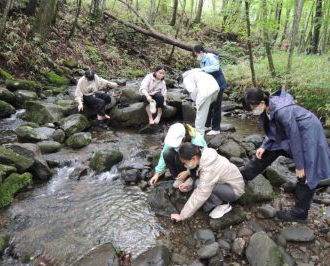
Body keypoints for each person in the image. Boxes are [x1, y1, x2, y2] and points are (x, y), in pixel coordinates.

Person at [241, 87, 330, 222]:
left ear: (262, 103)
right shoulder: (266, 108)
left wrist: (299, 166)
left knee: (305, 172)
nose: (253, 112)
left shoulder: (283, 111)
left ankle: (300, 213)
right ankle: (244, 176)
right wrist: (264, 146)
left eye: (252, 108)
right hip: (290, 132)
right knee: (267, 151)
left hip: (309, 133)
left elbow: (295, 140)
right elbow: (273, 129)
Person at [170, 143, 245, 221]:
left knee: (200, 186)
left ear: (194, 158)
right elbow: (199, 174)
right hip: (225, 183)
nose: (185, 165)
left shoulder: (209, 168)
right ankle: (213, 203)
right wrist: (188, 184)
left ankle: (224, 204)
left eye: (185, 163)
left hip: (234, 190)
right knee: (199, 183)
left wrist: (182, 216)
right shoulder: (204, 155)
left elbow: (201, 193)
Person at [149, 123, 207, 188]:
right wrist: (157, 173)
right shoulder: (174, 135)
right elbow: (163, 154)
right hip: (184, 160)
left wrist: (187, 172)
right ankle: (178, 177)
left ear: (183, 138)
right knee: (166, 153)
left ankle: (190, 177)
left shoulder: (196, 141)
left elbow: (201, 160)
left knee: (181, 158)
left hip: (195, 164)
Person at [193, 45, 227, 136]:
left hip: (218, 85)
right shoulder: (202, 61)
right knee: (208, 104)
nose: (196, 57)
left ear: (201, 52)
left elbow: (216, 67)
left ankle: (216, 129)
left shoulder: (210, 57)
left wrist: (203, 70)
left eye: (196, 55)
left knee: (216, 106)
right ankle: (207, 125)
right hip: (210, 86)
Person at [182, 68, 220, 136]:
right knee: (205, 110)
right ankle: (203, 128)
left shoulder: (187, 78)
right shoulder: (199, 72)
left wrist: (196, 104)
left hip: (205, 91)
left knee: (200, 114)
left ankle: (199, 136)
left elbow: (192, 91)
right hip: (215, 88)